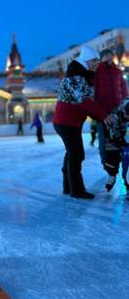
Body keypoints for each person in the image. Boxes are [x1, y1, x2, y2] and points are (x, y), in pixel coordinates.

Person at [53, 45, 110, 199]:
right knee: (76, 154)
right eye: (94, 61)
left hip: (70, 122)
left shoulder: (82, 75)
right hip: (66, 123)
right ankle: (76, 190)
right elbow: (84, 101)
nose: (96, 64)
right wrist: (104, 116)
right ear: (87, 60)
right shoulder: (76, 76)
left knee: (72, 153)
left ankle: (68, 186)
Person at [93, 48, 128, 191]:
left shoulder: (118, 72)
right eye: (105, 55)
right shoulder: (96, 72)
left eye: (110, 55)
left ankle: (126, 173)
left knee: (123, 143)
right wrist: (101, 114)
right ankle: (110, 173)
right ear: (100, 58)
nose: (108, 57)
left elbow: (124, 92)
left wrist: (125, 106)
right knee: (105, 145)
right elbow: (94, 95)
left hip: (120, 114)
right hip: (104, 115)